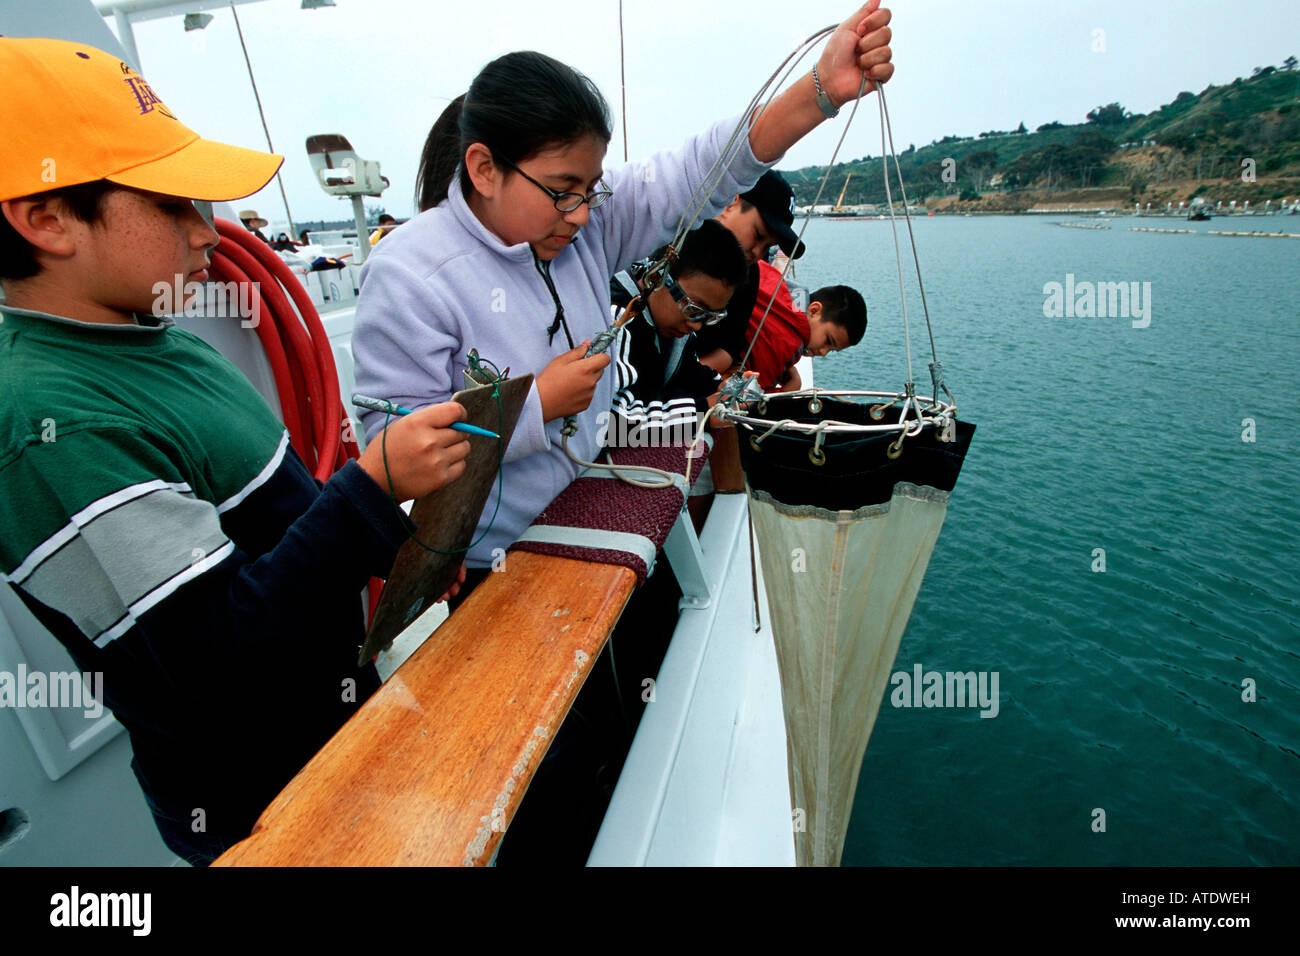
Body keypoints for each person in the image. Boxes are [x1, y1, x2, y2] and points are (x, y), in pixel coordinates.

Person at [0, 37, 471, 865]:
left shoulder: (150, 336)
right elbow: (216, 665)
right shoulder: (55, 422)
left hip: (335, 738)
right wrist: (371, 489)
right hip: (266, 810)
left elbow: (272, 524)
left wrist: (406, 546)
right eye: (174, 204)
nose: (207, 232)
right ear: (45, 219)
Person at [352, 1, 895, 584]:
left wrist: (820, 93)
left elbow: (700, 170)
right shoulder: (408, 275)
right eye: (564, 190)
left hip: (585, 507)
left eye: (593, 187)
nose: (585, 214)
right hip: (493, 564)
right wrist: (536, 402)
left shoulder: (589, 222)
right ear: (485, 169)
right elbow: (394, 451)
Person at [607, 220, 748, 445]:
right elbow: (609, 424)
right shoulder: (617, 320)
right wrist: (702, 413)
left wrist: (719, 388)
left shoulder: (674, 329)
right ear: (657, 276)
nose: (696, 326)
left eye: (708, 316)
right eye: (693, 309)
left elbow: (686, 371)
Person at [695, 169, 807, 374]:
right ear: (731, 202)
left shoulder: (749, 276)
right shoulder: (672, 243)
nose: (757, 252)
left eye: (768, 247)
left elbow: (729, 346)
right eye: (757, 235)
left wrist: (688, 376)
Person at [744, 264, 868, 390]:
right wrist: (791, 387)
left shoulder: (777, 281)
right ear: (814, 310)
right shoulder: (790, 342)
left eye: (831, 350)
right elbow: (749, 400)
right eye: (828, 341)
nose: (823, 353)